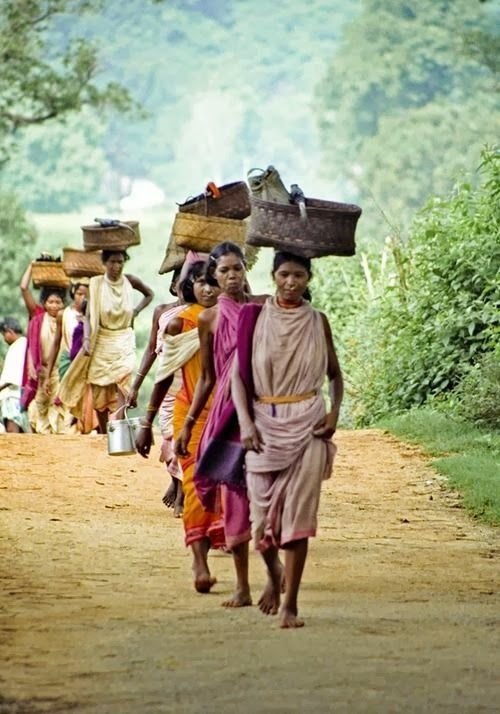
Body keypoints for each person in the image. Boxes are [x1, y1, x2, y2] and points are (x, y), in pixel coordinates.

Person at [231, 251, 343, 628]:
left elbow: (334, 375)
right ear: (273, 276)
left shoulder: (317, 321)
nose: (291, 283)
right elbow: (237, 378)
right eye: (284, 275)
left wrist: (334, 413)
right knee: (260, 521)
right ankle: (272, 573)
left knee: (298, 517)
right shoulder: (255, 318)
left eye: (298, 275)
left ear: (308, 278)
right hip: (263, 425)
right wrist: (246, 423)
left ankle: (290, 605)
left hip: (308, 425)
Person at [175, 241, 266, 608]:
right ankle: (243, 586)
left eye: (237, 269)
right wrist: (188, 424)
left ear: (246, 269)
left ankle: (278, 577)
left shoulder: (264, 307)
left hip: (263, 407)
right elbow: (208, 378)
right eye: (223, 270)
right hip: (224, 414)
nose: (231, 277)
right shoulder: (207, 319)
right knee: (234, 495)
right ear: (214, 274)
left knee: (271, 494)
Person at [135, 261, 225, 592]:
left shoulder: (235, 318)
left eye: (214, 282)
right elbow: (165, 374)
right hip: (191, 414)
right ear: (189, 286)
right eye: (201, 282)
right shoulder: (179, 324)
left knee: (229, 486)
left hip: (229, 412)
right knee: (194, 484)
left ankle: (228, 541)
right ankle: (200, 563)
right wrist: (146, 421)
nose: (208, 289)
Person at [127, 268, 184, 515]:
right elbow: (151, 349)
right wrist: (135, 386)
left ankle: (182, 492)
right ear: (174, 287)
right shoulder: (162, 312)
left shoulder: (206, 314)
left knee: (186, 437)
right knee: (169, 437)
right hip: (167, 383)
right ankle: (175, 480)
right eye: (183, 283)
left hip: (193, 384)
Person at [81, 249, 153, 432]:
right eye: (112, 262)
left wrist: (136, 311)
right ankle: (105, 432)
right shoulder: (96, 284)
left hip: (124, 337)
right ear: (104, 263)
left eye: (120, 262)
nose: (117, 266)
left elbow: (149, 294)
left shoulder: (130, 281)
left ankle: (119, 428)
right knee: (99, 389)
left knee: (124, 378)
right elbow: (89, 315)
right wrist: (87, 339)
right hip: (102, 339)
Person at [19, 262, 69, 434]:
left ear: (63, 304)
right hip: (42, 372)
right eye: (51, 302)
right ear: (45, 303)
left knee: (60, 406)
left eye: (58, 302)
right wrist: (32, 266)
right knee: (40, 406)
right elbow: (24, 288)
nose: (54, 306)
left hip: (61, 372)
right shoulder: (39, 317)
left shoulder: (67, 318)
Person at [45, 280, 89, 382]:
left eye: (87, 295)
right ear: (73, 292)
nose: (83, 298)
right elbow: (56, 344)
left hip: (86, 365)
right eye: (79, 294)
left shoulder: (93, 317)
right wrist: (48, 375)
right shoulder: (64, 314)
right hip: (68, 362)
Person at [0, 317, 28, 433]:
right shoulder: (20, 344)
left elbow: (12, 376)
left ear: (9, 331)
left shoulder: (20, 345)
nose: (4, 338)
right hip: (14, 394)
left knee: (13, 429)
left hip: (14, 395)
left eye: (3, 334)